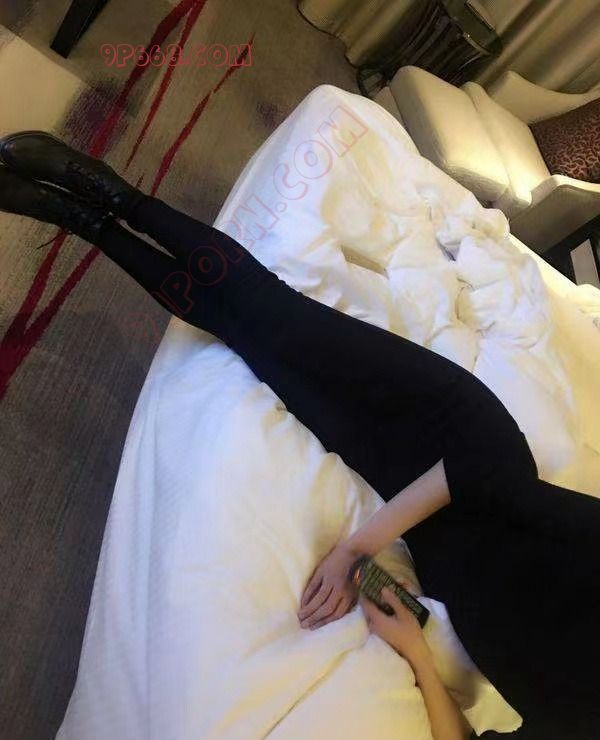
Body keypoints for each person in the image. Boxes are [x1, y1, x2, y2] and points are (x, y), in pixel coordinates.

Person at [1, 132, 598, 740]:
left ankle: (78, 220)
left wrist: (418, 654)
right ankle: (112, 193)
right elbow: (481, 469)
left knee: (243, 333)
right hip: (455, 440)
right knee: (274, 315)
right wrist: (352, 550)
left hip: (410, 499)